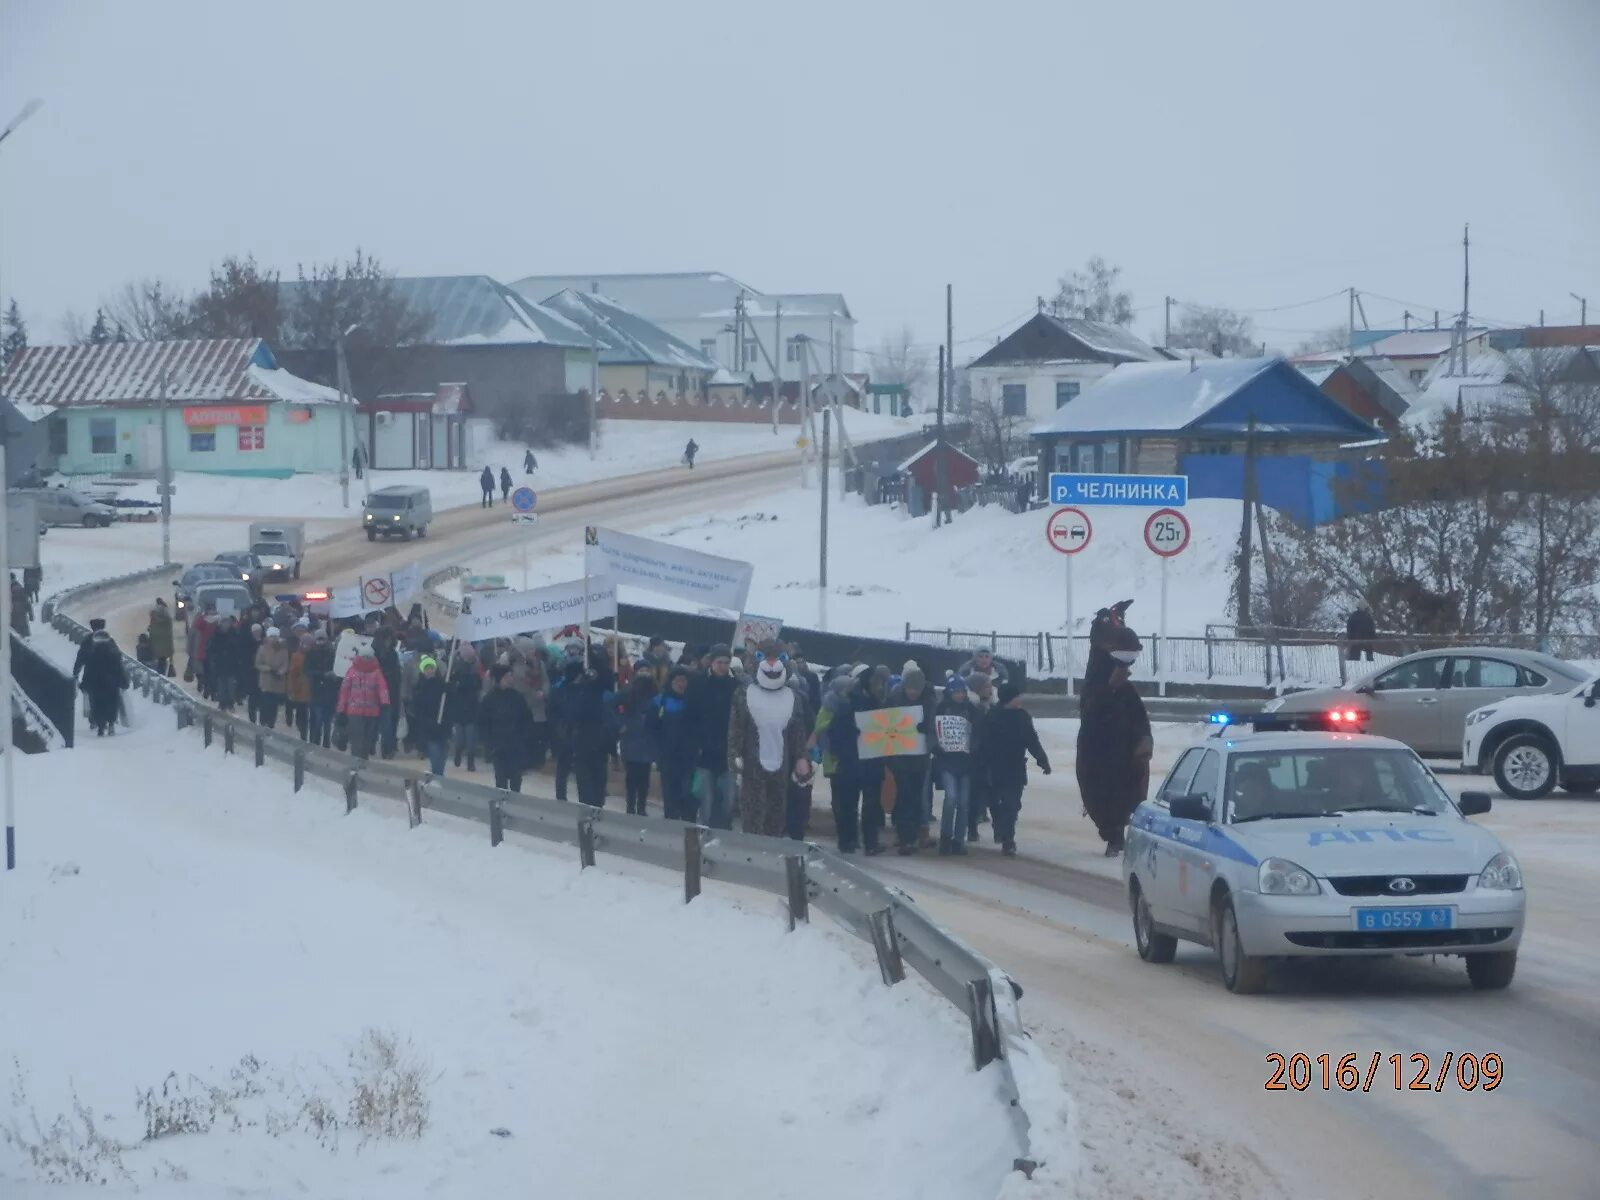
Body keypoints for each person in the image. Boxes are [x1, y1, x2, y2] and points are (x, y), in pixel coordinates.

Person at [1076, 628, 1153, 857]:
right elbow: (1091, 715)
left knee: (1125, 794)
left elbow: (1140, 719)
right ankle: (1113, 834)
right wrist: (1109, 689)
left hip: (1123, 755)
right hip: (1098, 754)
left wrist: (1144, 740)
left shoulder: (1127, 693)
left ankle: (1117, 834)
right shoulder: (1096, 689)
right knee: (1100, 795)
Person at [728, 642, 812, 837]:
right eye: (765, 658)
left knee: (777, 808)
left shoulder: (792, 697)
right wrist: (734, 754)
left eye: (780, 659)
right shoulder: (744, 694)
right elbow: (736, 728)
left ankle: (772, 843)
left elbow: (798, 732)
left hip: (781, 764)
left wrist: (801, 758)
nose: (773, 664)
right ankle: (752, 843)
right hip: (752, 762)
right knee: (753, 806)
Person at [984, 681, 1051, 857]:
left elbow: (1032, 740)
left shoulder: (1022, 717)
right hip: (995, 768)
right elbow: (983, 743)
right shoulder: (992, 716)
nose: (1019, 699)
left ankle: (1008, 839)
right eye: (1016, 697)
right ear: (1008, 699)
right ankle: (999, 826)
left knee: (1012, 805)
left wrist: (1042, 760)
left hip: (1015, 767)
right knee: (996, 803)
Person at [686, 644, 739, 829]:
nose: (723, 666)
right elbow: (690, 716)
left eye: (726, 662)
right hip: (705, 750)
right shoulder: (698, 683)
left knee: (728, 798)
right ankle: (706, 830)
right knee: (705, 798)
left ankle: (725, 830)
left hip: (728, 751)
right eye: (719, 662)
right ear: (712, 662)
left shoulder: (736, 686)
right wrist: (696, 743)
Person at [885, 664, 936, 854]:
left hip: (920, 757)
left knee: (915, 796)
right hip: (899, 756)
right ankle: (905, 837)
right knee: (905, 795)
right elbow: (885, 724)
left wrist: (927, 745)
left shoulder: (929, 701)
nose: (913, 692)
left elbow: (932, 729)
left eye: (916, 689)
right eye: (910, 689)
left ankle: (912, 835)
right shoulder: (894, 698)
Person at [814, 667, 864, 852]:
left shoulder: (854, 705)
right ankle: (844, 837)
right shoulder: (829, 705)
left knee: (850, 801)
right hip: (834, 760)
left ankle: (851, 836)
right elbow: (821, 729)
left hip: (851, 760)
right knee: (839, 802)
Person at [933, 675, 982, 855]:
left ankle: (958, 840)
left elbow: (978, 732)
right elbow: (934, 731)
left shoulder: (971, 710)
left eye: (962, 692)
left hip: (966, 762)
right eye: (956, 692)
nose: (960, 695)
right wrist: (937, 747)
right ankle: (946, 837)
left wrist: (973, 747)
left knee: (963, 803)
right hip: (947, 761)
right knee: (951, 798)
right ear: (950, 692)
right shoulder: (941, 708)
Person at [649, 667, 697, 820]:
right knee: (670, 796)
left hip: (689, 758)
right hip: (667, 758)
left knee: (688, 794)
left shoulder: (693, 702)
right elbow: (651, 729)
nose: (681, 684)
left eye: (684, 681)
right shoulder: (660, 702)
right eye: (678, 681)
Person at [478, 664, 535, 792]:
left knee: (516, 778)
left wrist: (523, 737)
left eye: (511, 675)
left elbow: (527, 719)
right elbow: (483, 722)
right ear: (500, 678)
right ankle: (502, 805)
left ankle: (514, 805)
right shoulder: (489, 699)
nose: (511, 679)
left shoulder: (517, 697)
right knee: (501, 780)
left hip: (515, 745)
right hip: (497, 746)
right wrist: (489, 742)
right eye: (507, 676)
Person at [336, 644, 390, 761]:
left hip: (372, 711)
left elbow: (382, 688)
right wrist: (341, 709)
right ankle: (356, 763)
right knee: (356, 738)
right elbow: (344, 691)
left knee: (367, 739)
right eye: (364, 657)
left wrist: (385, 702)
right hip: (354, 711)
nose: (366, 659)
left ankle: (363, 762)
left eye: (368, 657)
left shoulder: (377, 672)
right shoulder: (352, 671)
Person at [617, 666, 659, 816]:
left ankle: (637, 805)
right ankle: (635, 806)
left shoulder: (650, 695)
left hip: (641, 740)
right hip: (635, 740)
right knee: (637, 777)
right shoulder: (630, 694)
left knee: (638, 777)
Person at [79, 627, 127, 736]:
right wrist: (124, 681)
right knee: (112, 704)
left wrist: (84, 684)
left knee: (97, 705)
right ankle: (111, 725)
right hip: (111, 685)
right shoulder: (114, 654)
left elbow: (88, 671)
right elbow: (119, 669)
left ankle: (101, 727)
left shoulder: (91, 655)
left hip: (96, 685)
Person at [409, 655, 450, 776]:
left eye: (431, 668)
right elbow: (417, 708)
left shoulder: (442, 685)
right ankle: (437, 776)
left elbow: (450, 701)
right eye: (427, 668)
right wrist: (425, 721)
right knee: (435, 754)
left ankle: (439, 774)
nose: (430, 671)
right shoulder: (420, 688)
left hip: (444, 724)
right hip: (430, 727)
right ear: (423, 671)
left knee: (443, 753)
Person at [445, 645, 483, 772]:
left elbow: (478, 688)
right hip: (459, 709)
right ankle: (458, 752)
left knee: (471, 739)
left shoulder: (475, 673)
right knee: (460, 738)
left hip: (471, 709)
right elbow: (450, 687)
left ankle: (470, 762)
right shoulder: (455, 671)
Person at [306, 629, 338, 747]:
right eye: (318, 639)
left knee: (327, 721)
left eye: (322, 639)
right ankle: (316, 741)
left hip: (329, 691)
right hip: (316, 690)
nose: (320, 642)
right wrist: (322, 674)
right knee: (318, 719)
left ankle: (326, 743)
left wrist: (334, 676)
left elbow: (337, 668)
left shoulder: (332, 653)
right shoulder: (311, 653)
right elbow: (307, 670)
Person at [254, 626, 289, 729]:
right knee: (265, 704)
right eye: (271, 637)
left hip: (278, 682)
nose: (273, 639)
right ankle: (263, 722)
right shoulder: (262, 648)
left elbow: (285, 664)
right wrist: (268, 669)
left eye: (275, 637)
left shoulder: (283, 650)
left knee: (274, 706)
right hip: (266, 681)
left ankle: (271, 724)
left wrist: (280, 671)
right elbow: (258, 664)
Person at [285, 631, 313, 740]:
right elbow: (292, 674)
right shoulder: (296, 656)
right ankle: (302, 731)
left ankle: (304, 732)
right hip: (300, 689)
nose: (306, 646)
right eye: (304, 643)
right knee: (302, 713)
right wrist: (291, 689)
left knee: (305, 714)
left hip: (311, 690)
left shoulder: (313, 656)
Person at [147, 598, 174, 677]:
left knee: (156, 662)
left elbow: (151, 629)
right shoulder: (167, 617)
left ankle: (157, 676)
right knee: (163, 661)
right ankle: (162, 675)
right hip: (165, 644)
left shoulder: (154, 615)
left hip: (155, 644)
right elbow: (169, 633)